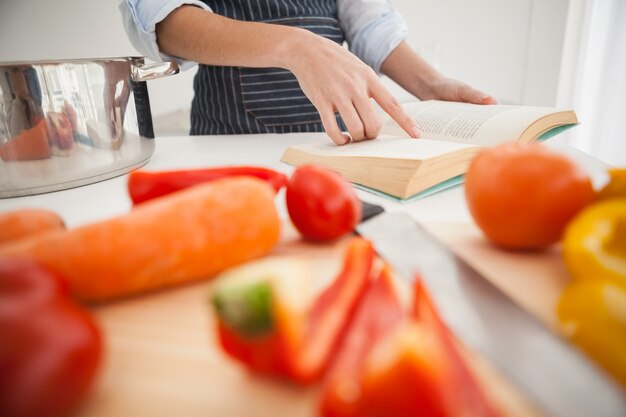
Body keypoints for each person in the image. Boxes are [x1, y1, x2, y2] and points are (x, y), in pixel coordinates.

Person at [120, 0, 496, 145]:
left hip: (335, 146)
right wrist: (295, 46)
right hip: (230, 142)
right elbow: (164, 21)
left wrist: (433, 84)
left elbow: (371, 24)